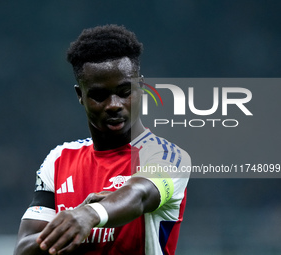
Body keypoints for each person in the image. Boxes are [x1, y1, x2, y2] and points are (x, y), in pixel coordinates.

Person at [14, 24, 191, 255]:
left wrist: (90, 214)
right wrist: (68, 228)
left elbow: (140, 194)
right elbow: (23, 248)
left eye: (125, 91)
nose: (114, 105)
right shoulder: (58, 161)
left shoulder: (169, 156)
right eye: (99, 95)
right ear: (81, 96)